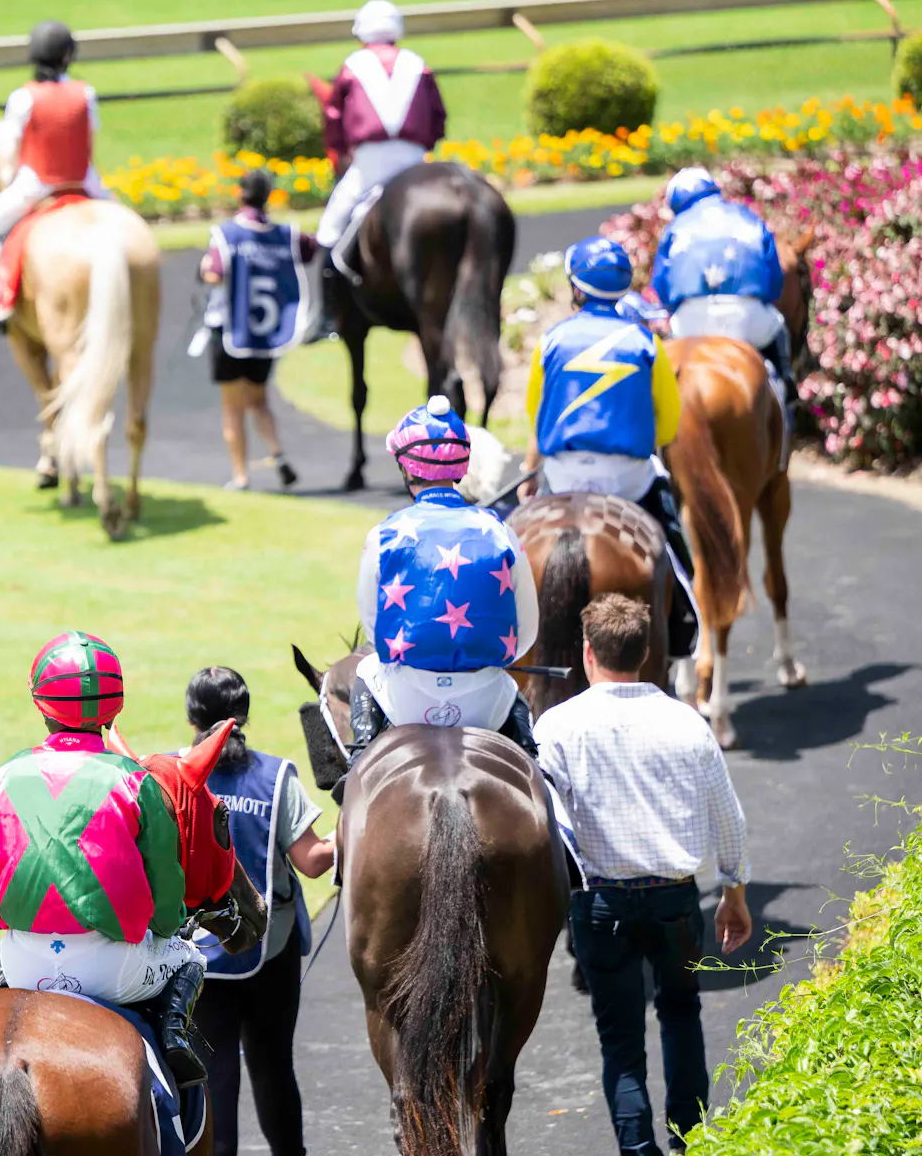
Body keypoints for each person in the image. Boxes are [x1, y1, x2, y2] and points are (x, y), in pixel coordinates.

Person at [533, 594, 752, 1156]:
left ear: (586, 652)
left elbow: (548, 822)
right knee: (681, 1013)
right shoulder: (687, 721)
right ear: (647, 651)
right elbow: (728, 819)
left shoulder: (556, 726)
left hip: (600, 903)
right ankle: (690, 1143)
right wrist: (734, 892)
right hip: (676, 899)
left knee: (620, 1039)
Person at [0, 630, 209, 1086]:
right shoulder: (136, 781)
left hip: (23, 962)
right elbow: (165, 897)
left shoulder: (2, 776)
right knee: (192, 957)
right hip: (112, 972)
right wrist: (167, 926)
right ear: (114, 706)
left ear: (41, 703)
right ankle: (173, 1045)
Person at [182, 666, 337, 1156]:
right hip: (266, 951)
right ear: (244, 713)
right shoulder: (275, 776)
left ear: (192, 715)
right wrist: (354, 831)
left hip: (194, 956)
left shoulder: (166, 772)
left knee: (213, 1077)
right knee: (272, 1066)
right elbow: (315, 862)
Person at [344, 396, 541, 781]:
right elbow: (526, 631)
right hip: (487, 702)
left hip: (406, 701)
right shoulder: (501, 531)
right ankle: (539, 776)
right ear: (461, 464)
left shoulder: (383, 534)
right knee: (518, 714)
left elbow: (373, 625)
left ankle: (357, 772)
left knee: (367, 666)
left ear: (405, 466)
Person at [525, 235, 699, 661]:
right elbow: (669, 424)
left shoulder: (551, 340)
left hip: (562, 472)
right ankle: (684, 620)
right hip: (629, 478)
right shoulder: (646, 342)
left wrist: (533, 477)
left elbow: (536, 414)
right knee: (673, 545)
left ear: (577, 287)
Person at [0, 19, 108, 337]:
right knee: (130, 221)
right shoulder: (86, 92)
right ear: (69, 56)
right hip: (84, 179)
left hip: (38, 182)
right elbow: (90, 143)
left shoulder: (23, 97)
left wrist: (6, 178)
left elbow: (11, 149)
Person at [196, 166, 312, 490]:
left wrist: (205, 267)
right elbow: (310, 248)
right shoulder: (283, 234)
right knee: (259, 401)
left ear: (240, 193)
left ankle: (241, 475)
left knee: (232, 408)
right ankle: (278, 454)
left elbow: (215, 273)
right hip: (265, 334)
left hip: (231, 330)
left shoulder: (227, 234)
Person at [314, 0, 447, 279]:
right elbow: (438, 115)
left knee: (329, 228)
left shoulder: (353, 65)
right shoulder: (417, 63)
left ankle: (328, 311)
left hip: (369, 162)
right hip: (414, 158)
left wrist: (341, 152)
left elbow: (333, 115)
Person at [650, 167, 797, 414]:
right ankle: (787, 387)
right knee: (779, 325)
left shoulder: (675, 228)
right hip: (746, 317)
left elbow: (661, 286)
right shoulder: (747, 217)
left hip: (690, 322)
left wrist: (676, 308)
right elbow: (773, 280)